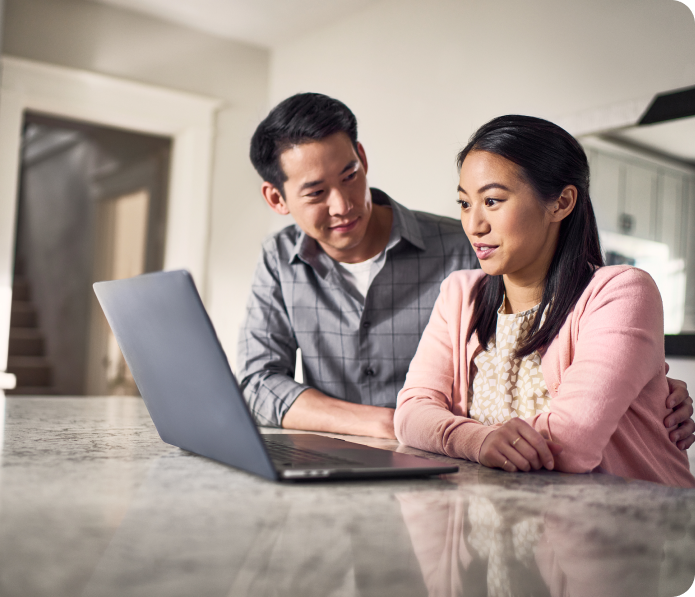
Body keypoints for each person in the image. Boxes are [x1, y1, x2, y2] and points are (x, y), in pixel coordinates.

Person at [237, 92, 694, 452]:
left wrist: (644, 390)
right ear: (278, 199)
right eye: (316, 192)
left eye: (350, 174)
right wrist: (390, 421)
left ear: (362, 156)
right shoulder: (280, 260)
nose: (343, 204)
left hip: (448, 465)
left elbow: (570, 397)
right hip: (377, 456)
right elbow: (258, 382)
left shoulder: (468, 253)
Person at [394, 115, 695, 487]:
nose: (474, 224)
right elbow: (409, 416)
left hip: (631, 529)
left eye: (492, 200)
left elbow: (570, 444)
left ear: (561, 203)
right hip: (502, 522)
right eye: (465, 203)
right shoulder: (460, 295)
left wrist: (452, 433)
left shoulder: (620, 293)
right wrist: (479, 439)